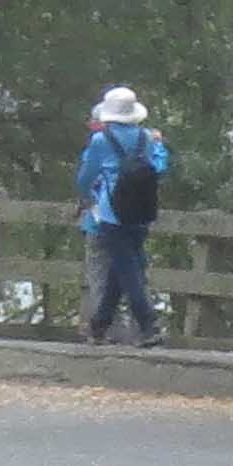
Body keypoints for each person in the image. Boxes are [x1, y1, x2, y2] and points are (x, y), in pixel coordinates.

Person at [75, 88, 169, 349]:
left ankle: (149, 325)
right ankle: (99, 326)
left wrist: (87, 197)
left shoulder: (100, 140)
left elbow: (85, 176)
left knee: (128, 272)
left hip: (111, 213)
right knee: (120, 269)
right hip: (141, 212)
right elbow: (158, 168)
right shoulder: (146, 137)